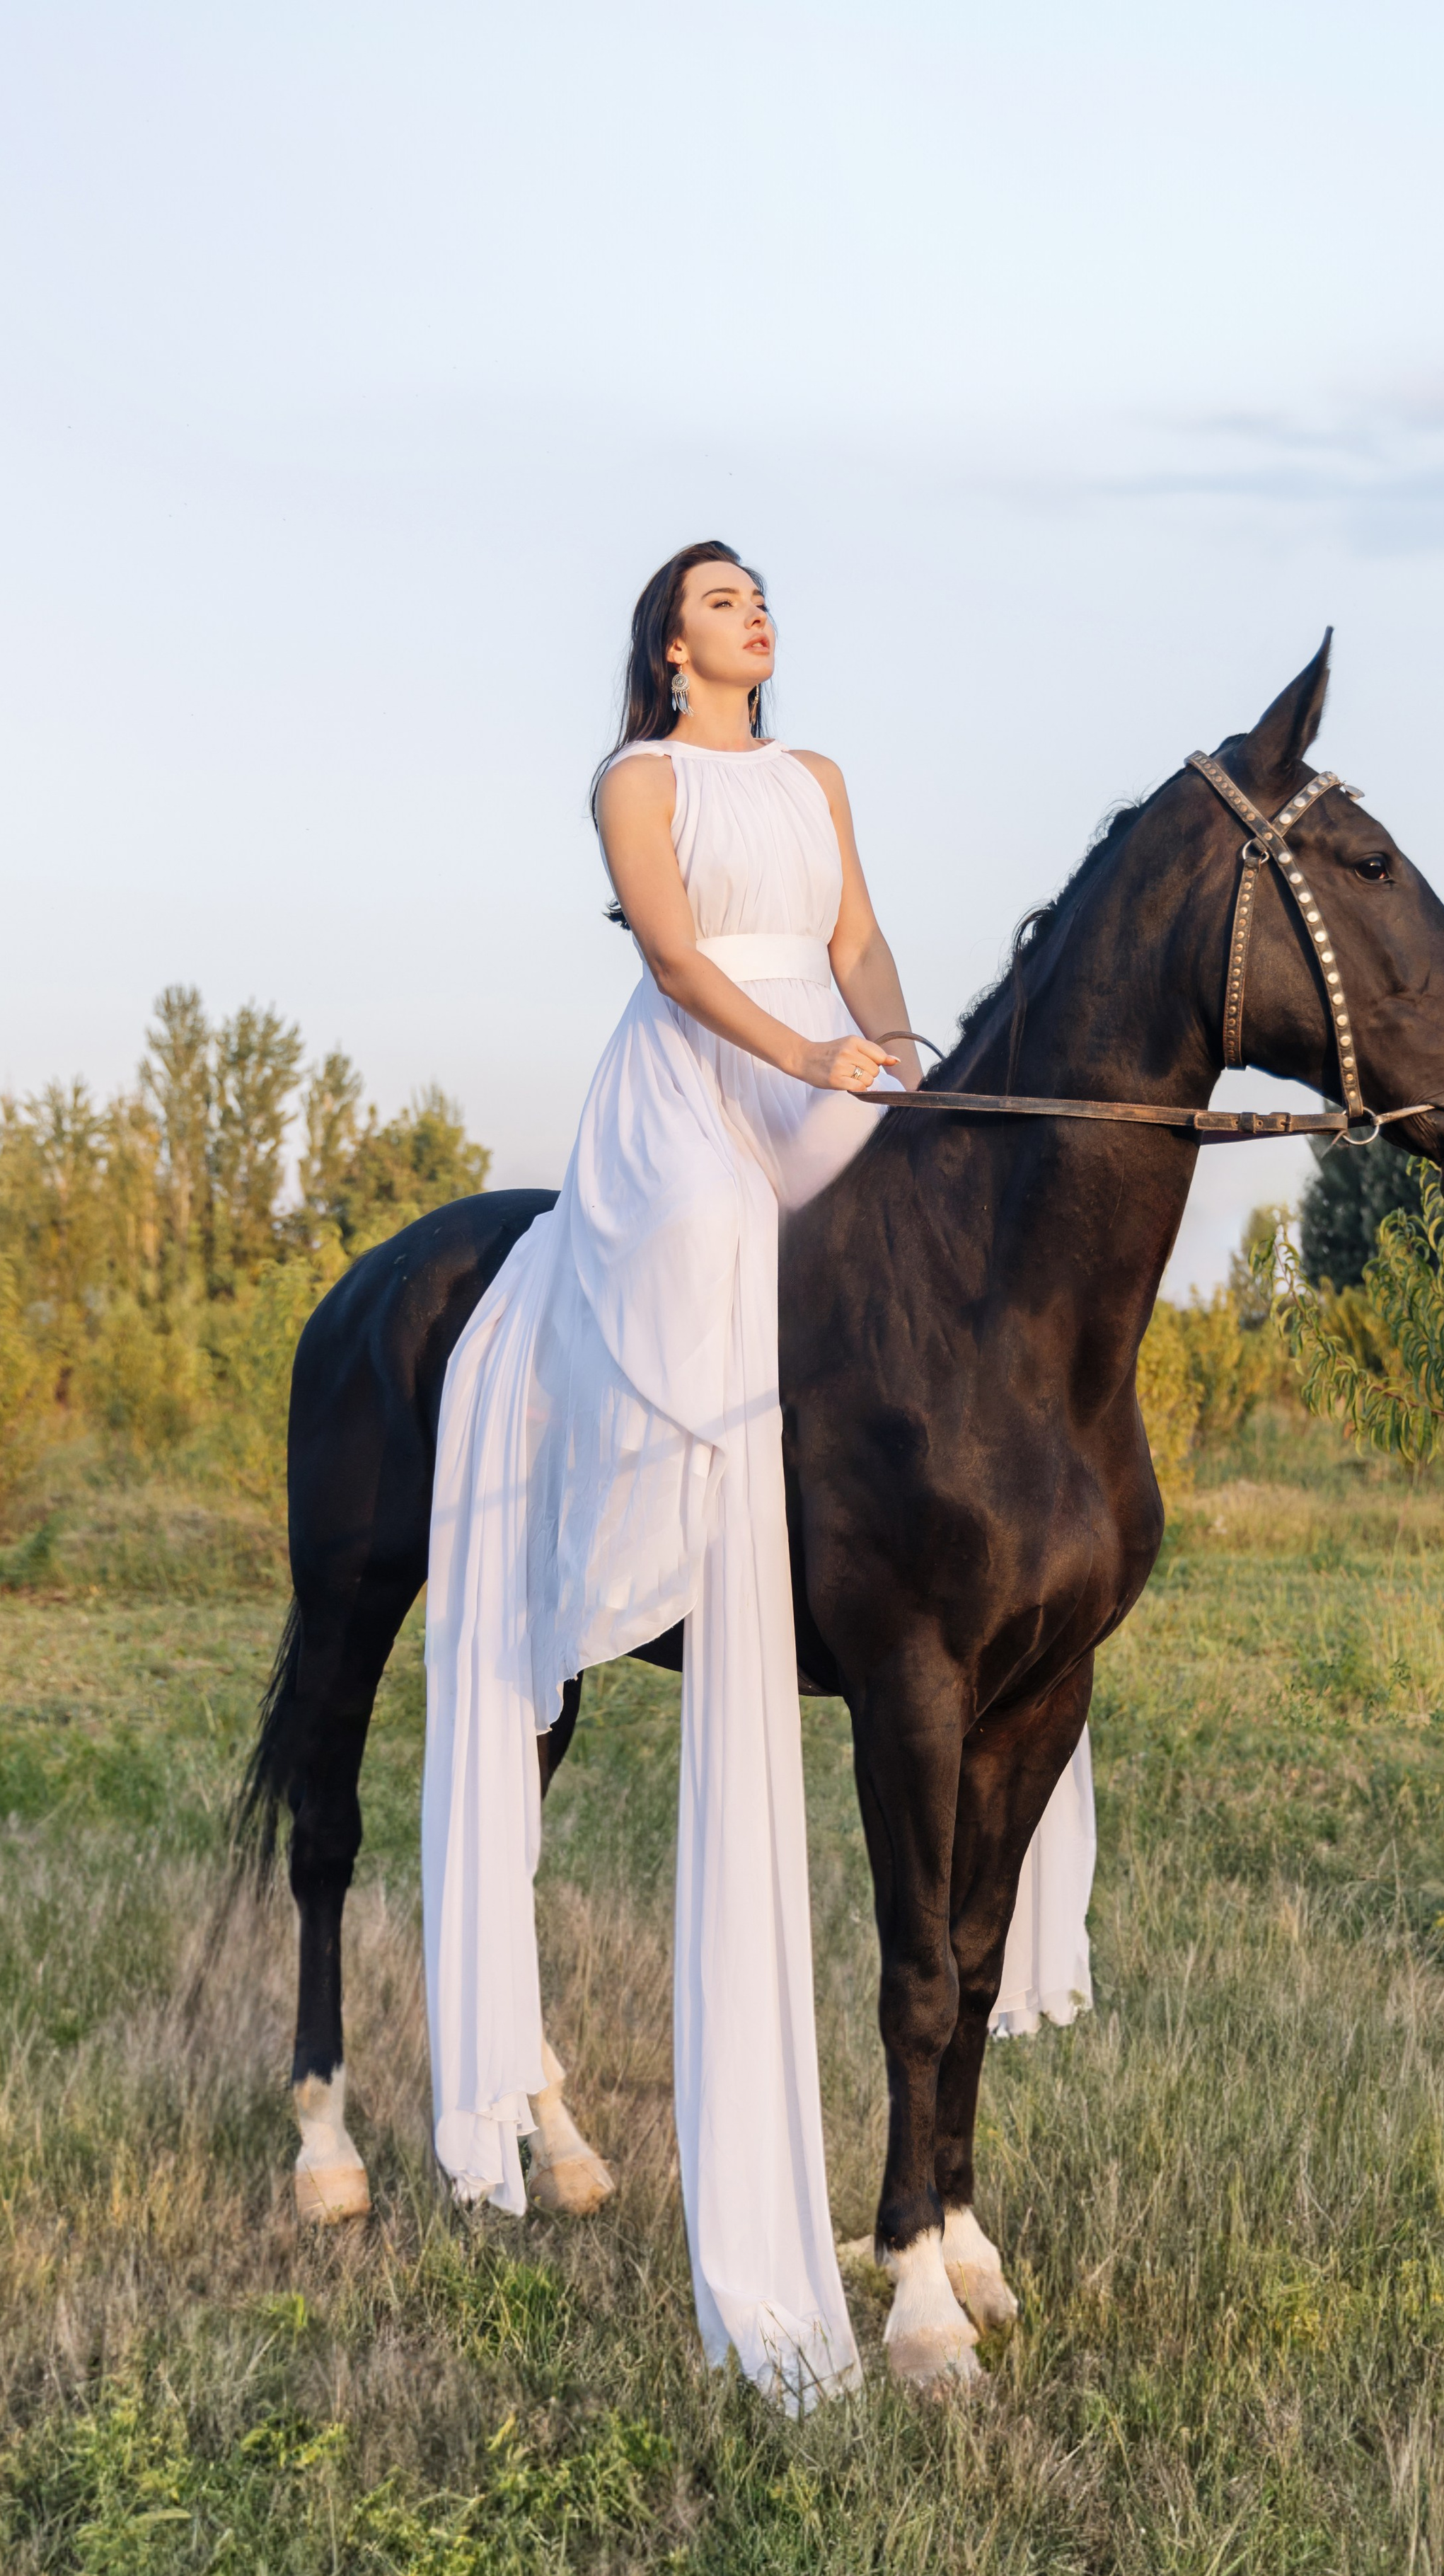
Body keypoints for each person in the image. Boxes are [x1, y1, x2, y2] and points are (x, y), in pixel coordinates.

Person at [420, 540, 1093, 2410]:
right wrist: (804, 1049)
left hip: (831, 1052)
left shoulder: (816, 778)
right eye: (722, 599)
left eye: (761, 595)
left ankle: (910, 1539)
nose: (754, 614)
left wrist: (901, 1050)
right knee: (723, 1238)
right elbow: (674, 951)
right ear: (668, 640)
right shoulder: (638, 780)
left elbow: (861, 935)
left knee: (945, 1283)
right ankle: (657, 1516)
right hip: (702, 1074)